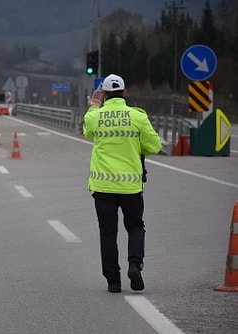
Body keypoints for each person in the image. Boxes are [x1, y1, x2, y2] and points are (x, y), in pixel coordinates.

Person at [83, 74, 162, 293]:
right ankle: (135, 265)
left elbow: (87, 131)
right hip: (131, 187)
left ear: (105, 94)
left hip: (103, 187)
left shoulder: (96, 116)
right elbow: (154, 146)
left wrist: (92, 106)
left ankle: (113, 281)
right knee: (135, 226)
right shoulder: (137, 117)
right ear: (125, 93)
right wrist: (135, 145)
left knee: (108, 233)